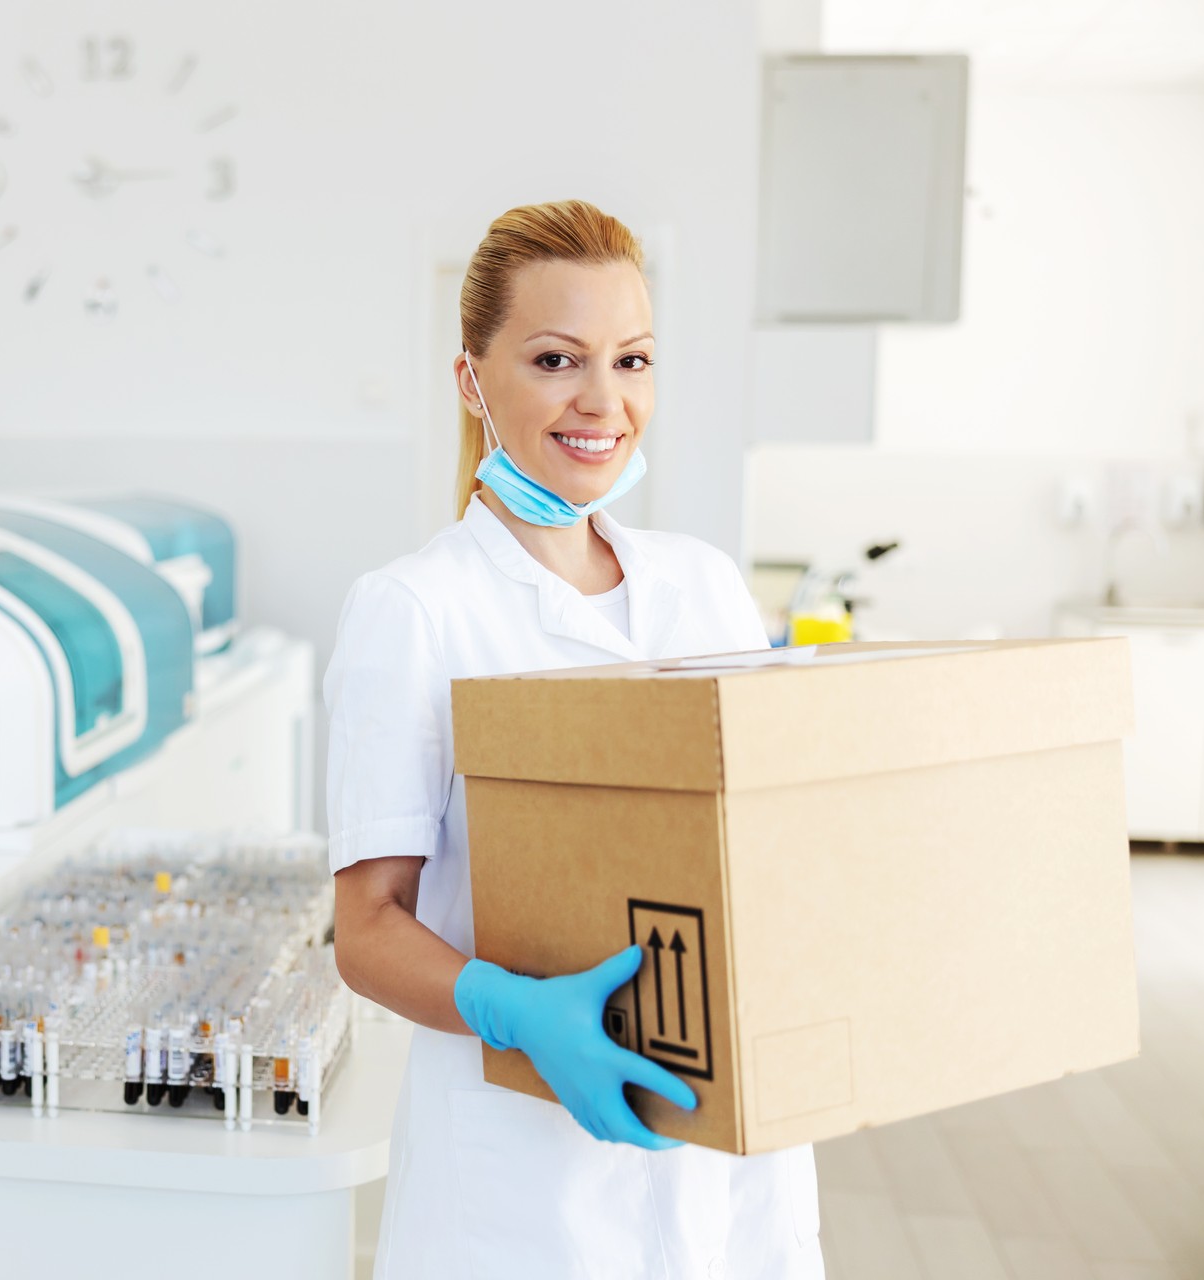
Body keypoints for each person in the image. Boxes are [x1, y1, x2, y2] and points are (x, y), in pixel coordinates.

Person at [326, 200, 823, 1279]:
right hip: (520, 1193)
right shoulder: (414, 609)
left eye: (632, 359)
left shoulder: (703, 584)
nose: (604, 401)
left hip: (729, 1167)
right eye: (556, 359)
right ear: (472, 380)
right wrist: (513, 1010)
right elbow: (365, 928)